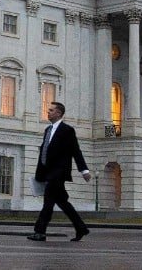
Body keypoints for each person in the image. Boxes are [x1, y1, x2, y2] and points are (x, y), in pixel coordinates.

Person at [28, 101, 91, 242]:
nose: (48, 112)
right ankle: (81, 228)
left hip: (57, 173)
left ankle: (40, 232)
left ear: (58, 113)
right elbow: (44, 152)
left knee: (48, 203)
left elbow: (76, 151)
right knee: (63, 202)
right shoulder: (47, 130)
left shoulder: (67, 130)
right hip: (47, 173)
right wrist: (40, 174)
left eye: (51, 110)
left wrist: (84, 170)